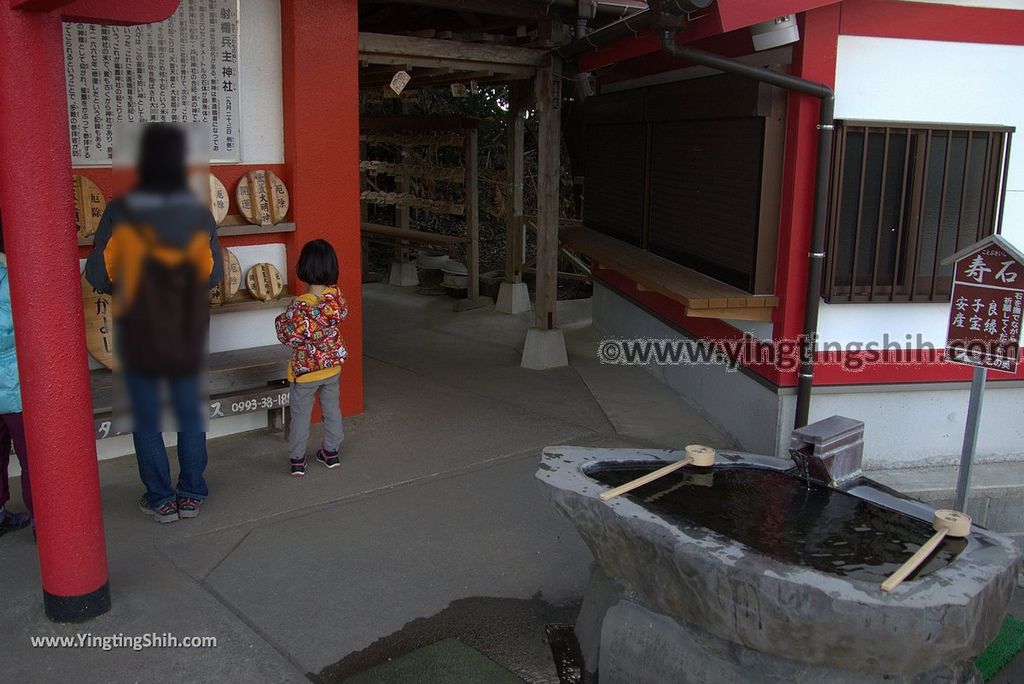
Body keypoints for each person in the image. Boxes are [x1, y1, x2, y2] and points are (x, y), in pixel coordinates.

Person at [85, 123, 222, 524]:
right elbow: (212, 275)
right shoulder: (198, 214)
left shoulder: (120, 211)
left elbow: (98, 273)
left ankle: (161, 499)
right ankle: (192, 493)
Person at [274, 240, 348, 476]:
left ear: (303, 267)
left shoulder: (300, 307)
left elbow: (288, 337)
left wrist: (281, 318)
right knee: (332, 411)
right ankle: (331, 452)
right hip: (332, 369)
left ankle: (297, 460)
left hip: (305, 373)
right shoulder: (336, 299)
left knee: (300, 417)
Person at [0, 221, 33, 537]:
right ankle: (43, 517)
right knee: (32, 456)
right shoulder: (11, 278)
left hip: (10, 383)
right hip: (13, 384)